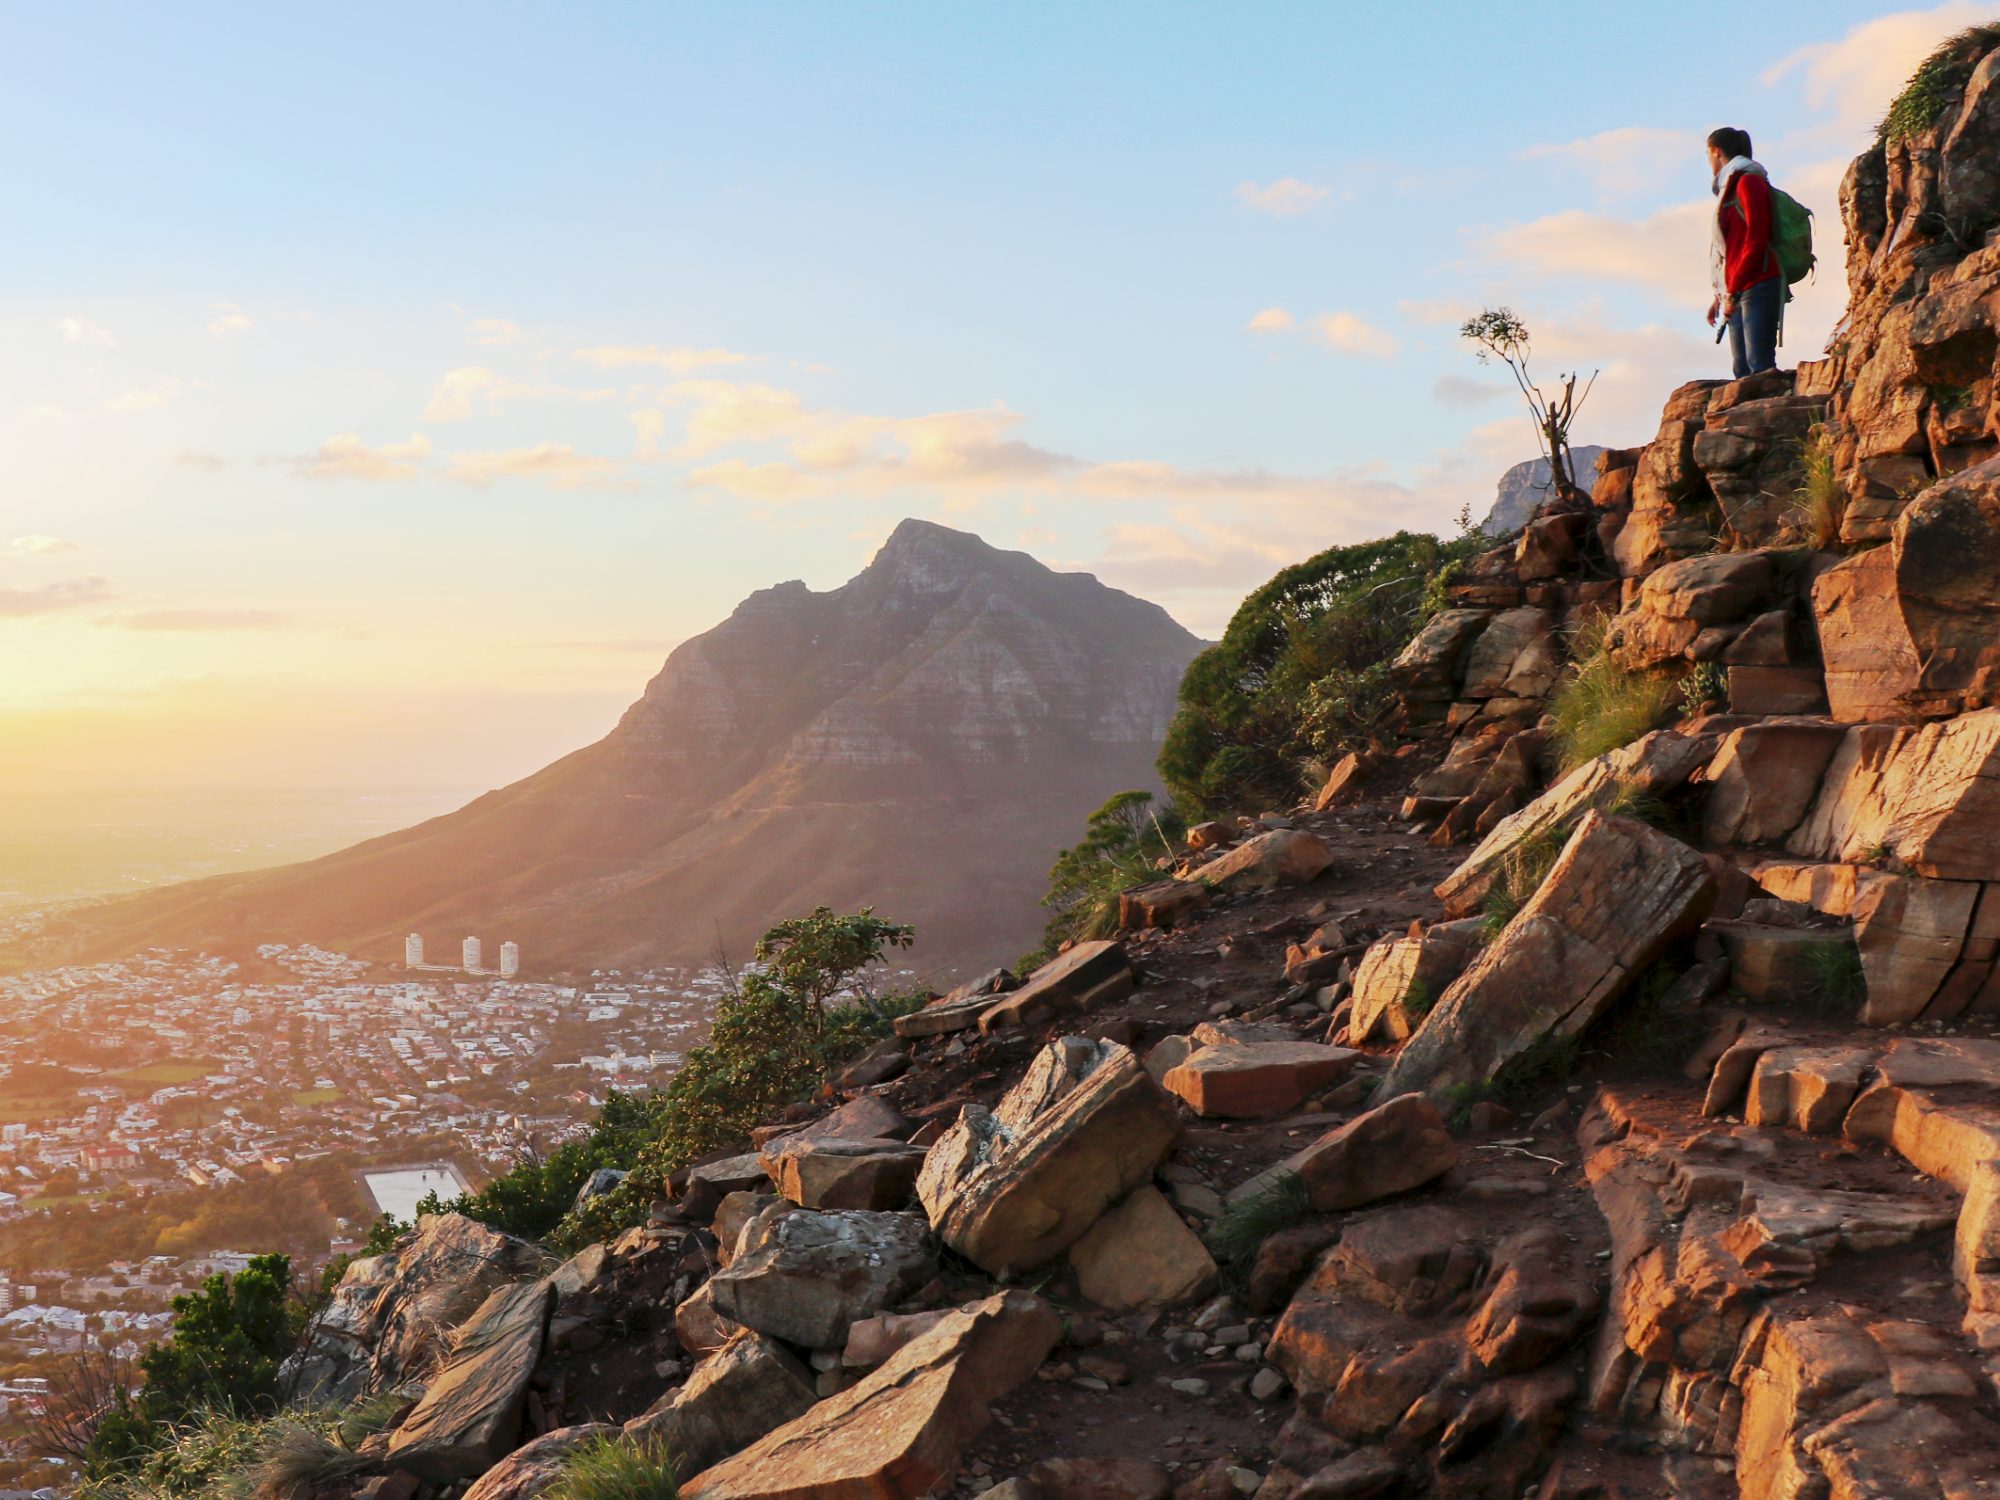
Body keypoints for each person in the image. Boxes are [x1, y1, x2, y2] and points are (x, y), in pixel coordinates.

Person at [1704, 126, 1782, 378]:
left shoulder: (1748, 181)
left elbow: (1757, 237)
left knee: (1758, 367)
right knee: (1743, 370)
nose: (1708, 161)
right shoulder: (1728, 188)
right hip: (1738, 286)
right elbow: (1730, 248)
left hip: (1758, 281)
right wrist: (1721, 294)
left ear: (1716, 152)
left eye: (1708, 154)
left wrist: (1735, 288)